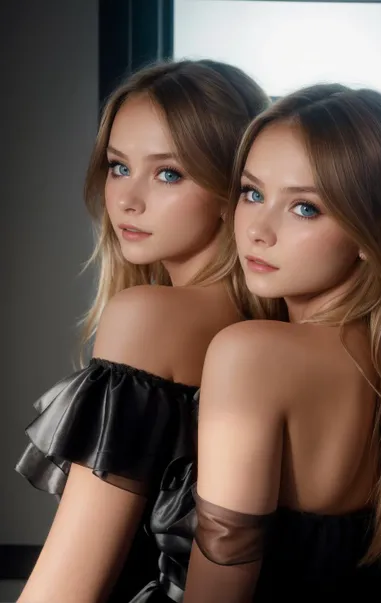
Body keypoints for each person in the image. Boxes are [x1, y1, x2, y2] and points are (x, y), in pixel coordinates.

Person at [183, 84, 381, 602]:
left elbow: (217, 592)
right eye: (252, 193)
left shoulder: (249, 354)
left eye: (305, 208)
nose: (258, 231)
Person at [15, 59, 284, 603]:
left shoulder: (149, 318)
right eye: (117, 166)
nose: (127, 199)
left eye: (168, 173)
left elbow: (67, 586)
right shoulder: (278, 335)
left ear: (232, 186)